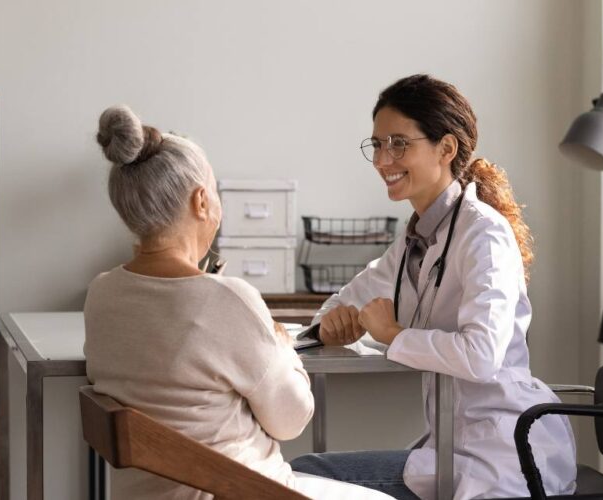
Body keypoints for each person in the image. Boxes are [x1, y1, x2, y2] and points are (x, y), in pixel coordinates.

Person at [83, 105, 394, 500]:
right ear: (201, 202)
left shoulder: (102, 293)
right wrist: (280, 346)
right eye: (214, 191)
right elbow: (292, 419)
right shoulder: (226, 298)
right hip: (244, 491)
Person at [289, 75, 578, 499]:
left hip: (501, 453)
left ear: (446, 149)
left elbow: (481, 355)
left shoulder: (484, 234)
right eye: (377, 144)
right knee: (305, 475)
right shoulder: (415, 241)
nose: (382, 160)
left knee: (301, 476)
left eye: (398, 144)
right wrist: (331, 326)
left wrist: (392, 334)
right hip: (449, 447)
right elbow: (340, 305)